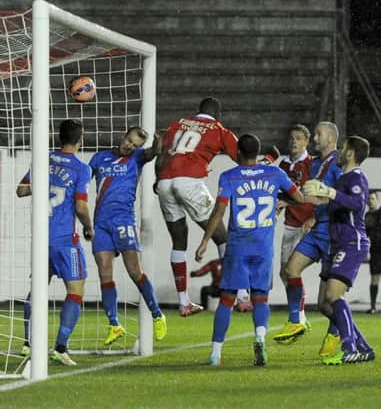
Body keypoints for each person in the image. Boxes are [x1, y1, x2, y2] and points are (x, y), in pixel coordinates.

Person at [195, 134, 307, 366]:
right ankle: (259, 337)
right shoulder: (275, 174)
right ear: (257, 153)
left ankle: (215, 354)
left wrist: (206, 240)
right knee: (260, 298)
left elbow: (219, 212)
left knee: (227, 299)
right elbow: (299, 197)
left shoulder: (230, 177)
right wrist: (280, 199)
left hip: (238, 247)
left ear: (237, 153)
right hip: (263, 247)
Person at [155, 97, 249, 316]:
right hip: (189, 181)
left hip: (165, 181)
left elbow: (162, 154)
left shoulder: (177, 124)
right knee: (223, 237)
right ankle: (242, 295)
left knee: (178, 241)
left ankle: (184, 302)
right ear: (218, 114)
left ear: (197, 111)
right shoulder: (219, 129)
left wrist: (157, 180)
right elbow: (242, 159)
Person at [16, 119, 94, 366]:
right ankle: (60, 347)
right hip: (64, 240)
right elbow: (81, 206)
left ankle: (28, 344)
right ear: (80, 140)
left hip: (41, 238)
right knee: (76, 289)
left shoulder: (43, 159)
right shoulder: (82, 169)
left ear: (59, 137)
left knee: (37, 289)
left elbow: (21, 190)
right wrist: (89, 227)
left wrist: (44, 184)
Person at [89, 127, 167, 346]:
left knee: (134, 270)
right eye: (129, 141)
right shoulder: (100, 158)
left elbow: (151, 154)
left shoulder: (137, 158)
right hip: (101, 223)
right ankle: (114, 325)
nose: (129, 146)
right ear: (123, 136)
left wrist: (157, 147)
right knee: (104, 272)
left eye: (134, 144)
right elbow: (85, 178)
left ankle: (157, 314)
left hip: (124, 220)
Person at [303, 135, 376, 365]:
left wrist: (329, 192)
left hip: (351, 242)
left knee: (334, 295)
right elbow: (336, 204)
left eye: (343, 148)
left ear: (351, 153)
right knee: (325, 304)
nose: (340, 151)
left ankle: (349, 347)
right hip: (338, 244)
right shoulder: (345, 178)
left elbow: (357, 204)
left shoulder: (356, 177)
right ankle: (363, 346)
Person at [274, 121, 343, 357]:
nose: (314, 138)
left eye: (318, 134)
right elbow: (307, 196)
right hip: (317, 231)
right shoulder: (315, 165)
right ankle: (297, 320)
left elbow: (339, 198)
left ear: (331, 139)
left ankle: (338, 332)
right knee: (290, 270)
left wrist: (316, 211)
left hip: (333, 234)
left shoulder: (339, 164)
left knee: (326, 303)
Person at [275, 124, 315, 341]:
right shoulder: (283, 165)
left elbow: (318, 193)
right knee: (285, 273)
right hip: (291, 223)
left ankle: (297, 319)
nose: (294, 142)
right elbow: (282, 195)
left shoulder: (313, 164)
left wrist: (315, 217)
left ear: (306, 142)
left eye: (299, 138)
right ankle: (299, 317)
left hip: (310, 225)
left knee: (294, 271)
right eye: (292, 138)